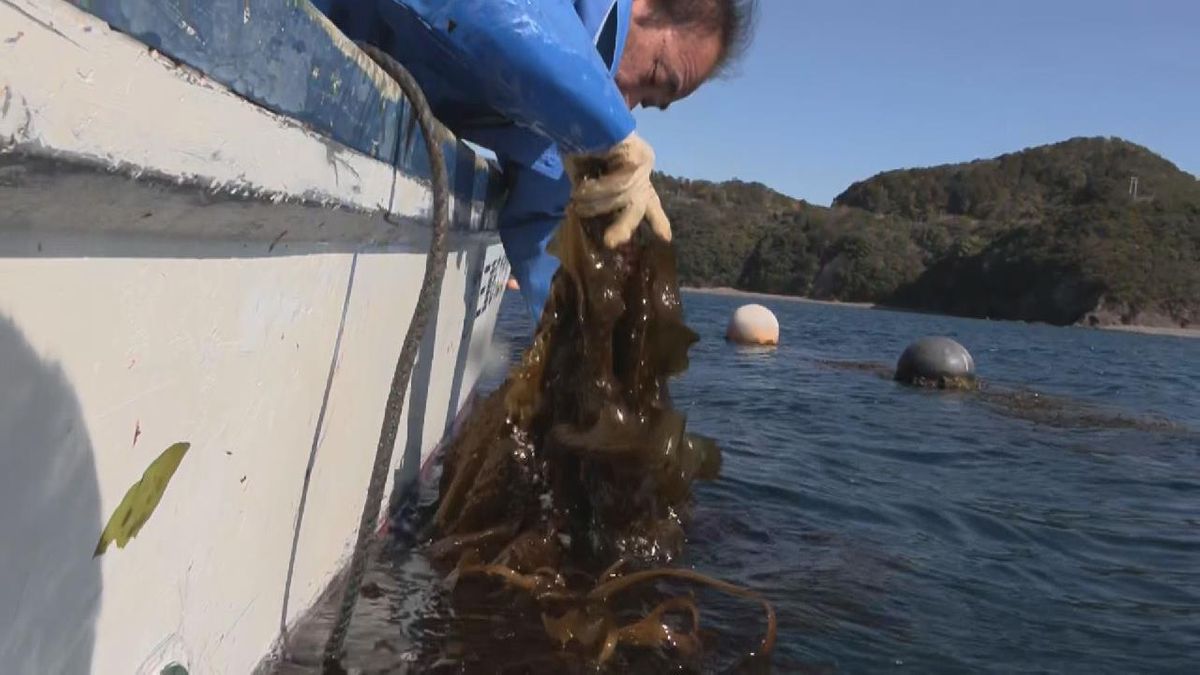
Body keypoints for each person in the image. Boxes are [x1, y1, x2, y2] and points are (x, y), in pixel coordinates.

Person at [313, 0, 755, 323]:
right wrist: (605, 125)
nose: (629, 103)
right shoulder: (585, 100)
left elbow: (547, 224)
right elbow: (494, 13)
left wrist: (592, 335)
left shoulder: (562, 121)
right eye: (654, 77)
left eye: (648, 102)